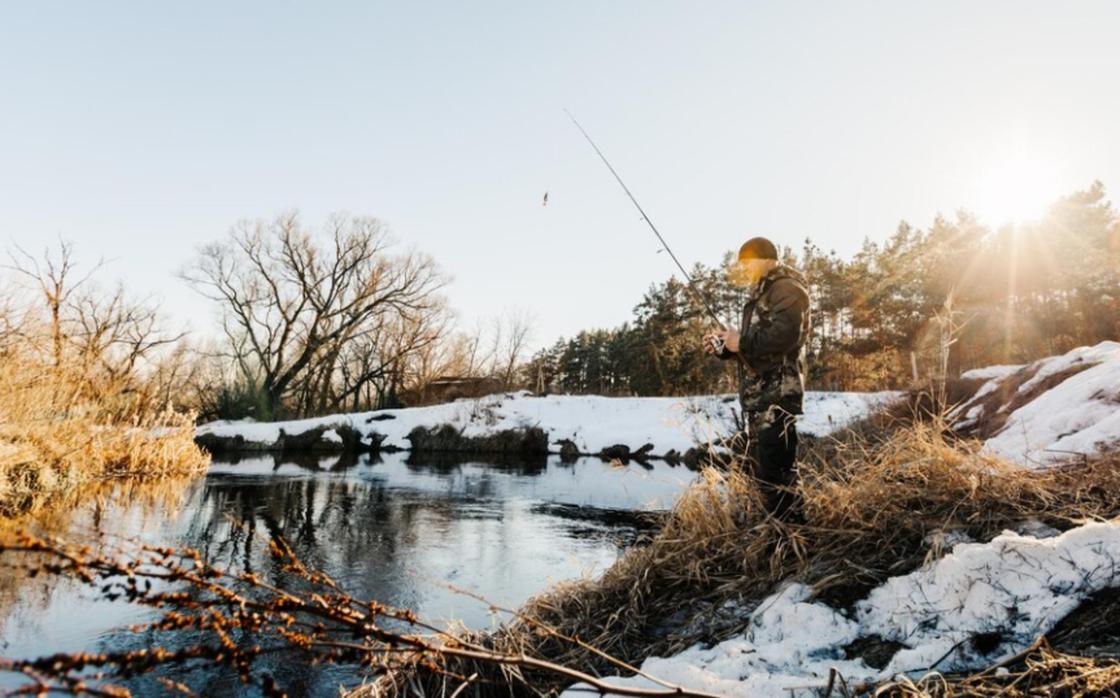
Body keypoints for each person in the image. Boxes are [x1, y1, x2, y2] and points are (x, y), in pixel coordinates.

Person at [703, 237, 811, 520]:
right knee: (763, 474)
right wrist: (725, 347)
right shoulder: (761, 294)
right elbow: (753, 349)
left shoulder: (786, 288)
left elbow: (786, 336)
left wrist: (742, 342)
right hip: (760, 398)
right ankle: (774, 538)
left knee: (777, 475)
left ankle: (791, 541)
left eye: (747, 262)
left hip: (777, 396)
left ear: (765, 258)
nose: (744, 269)